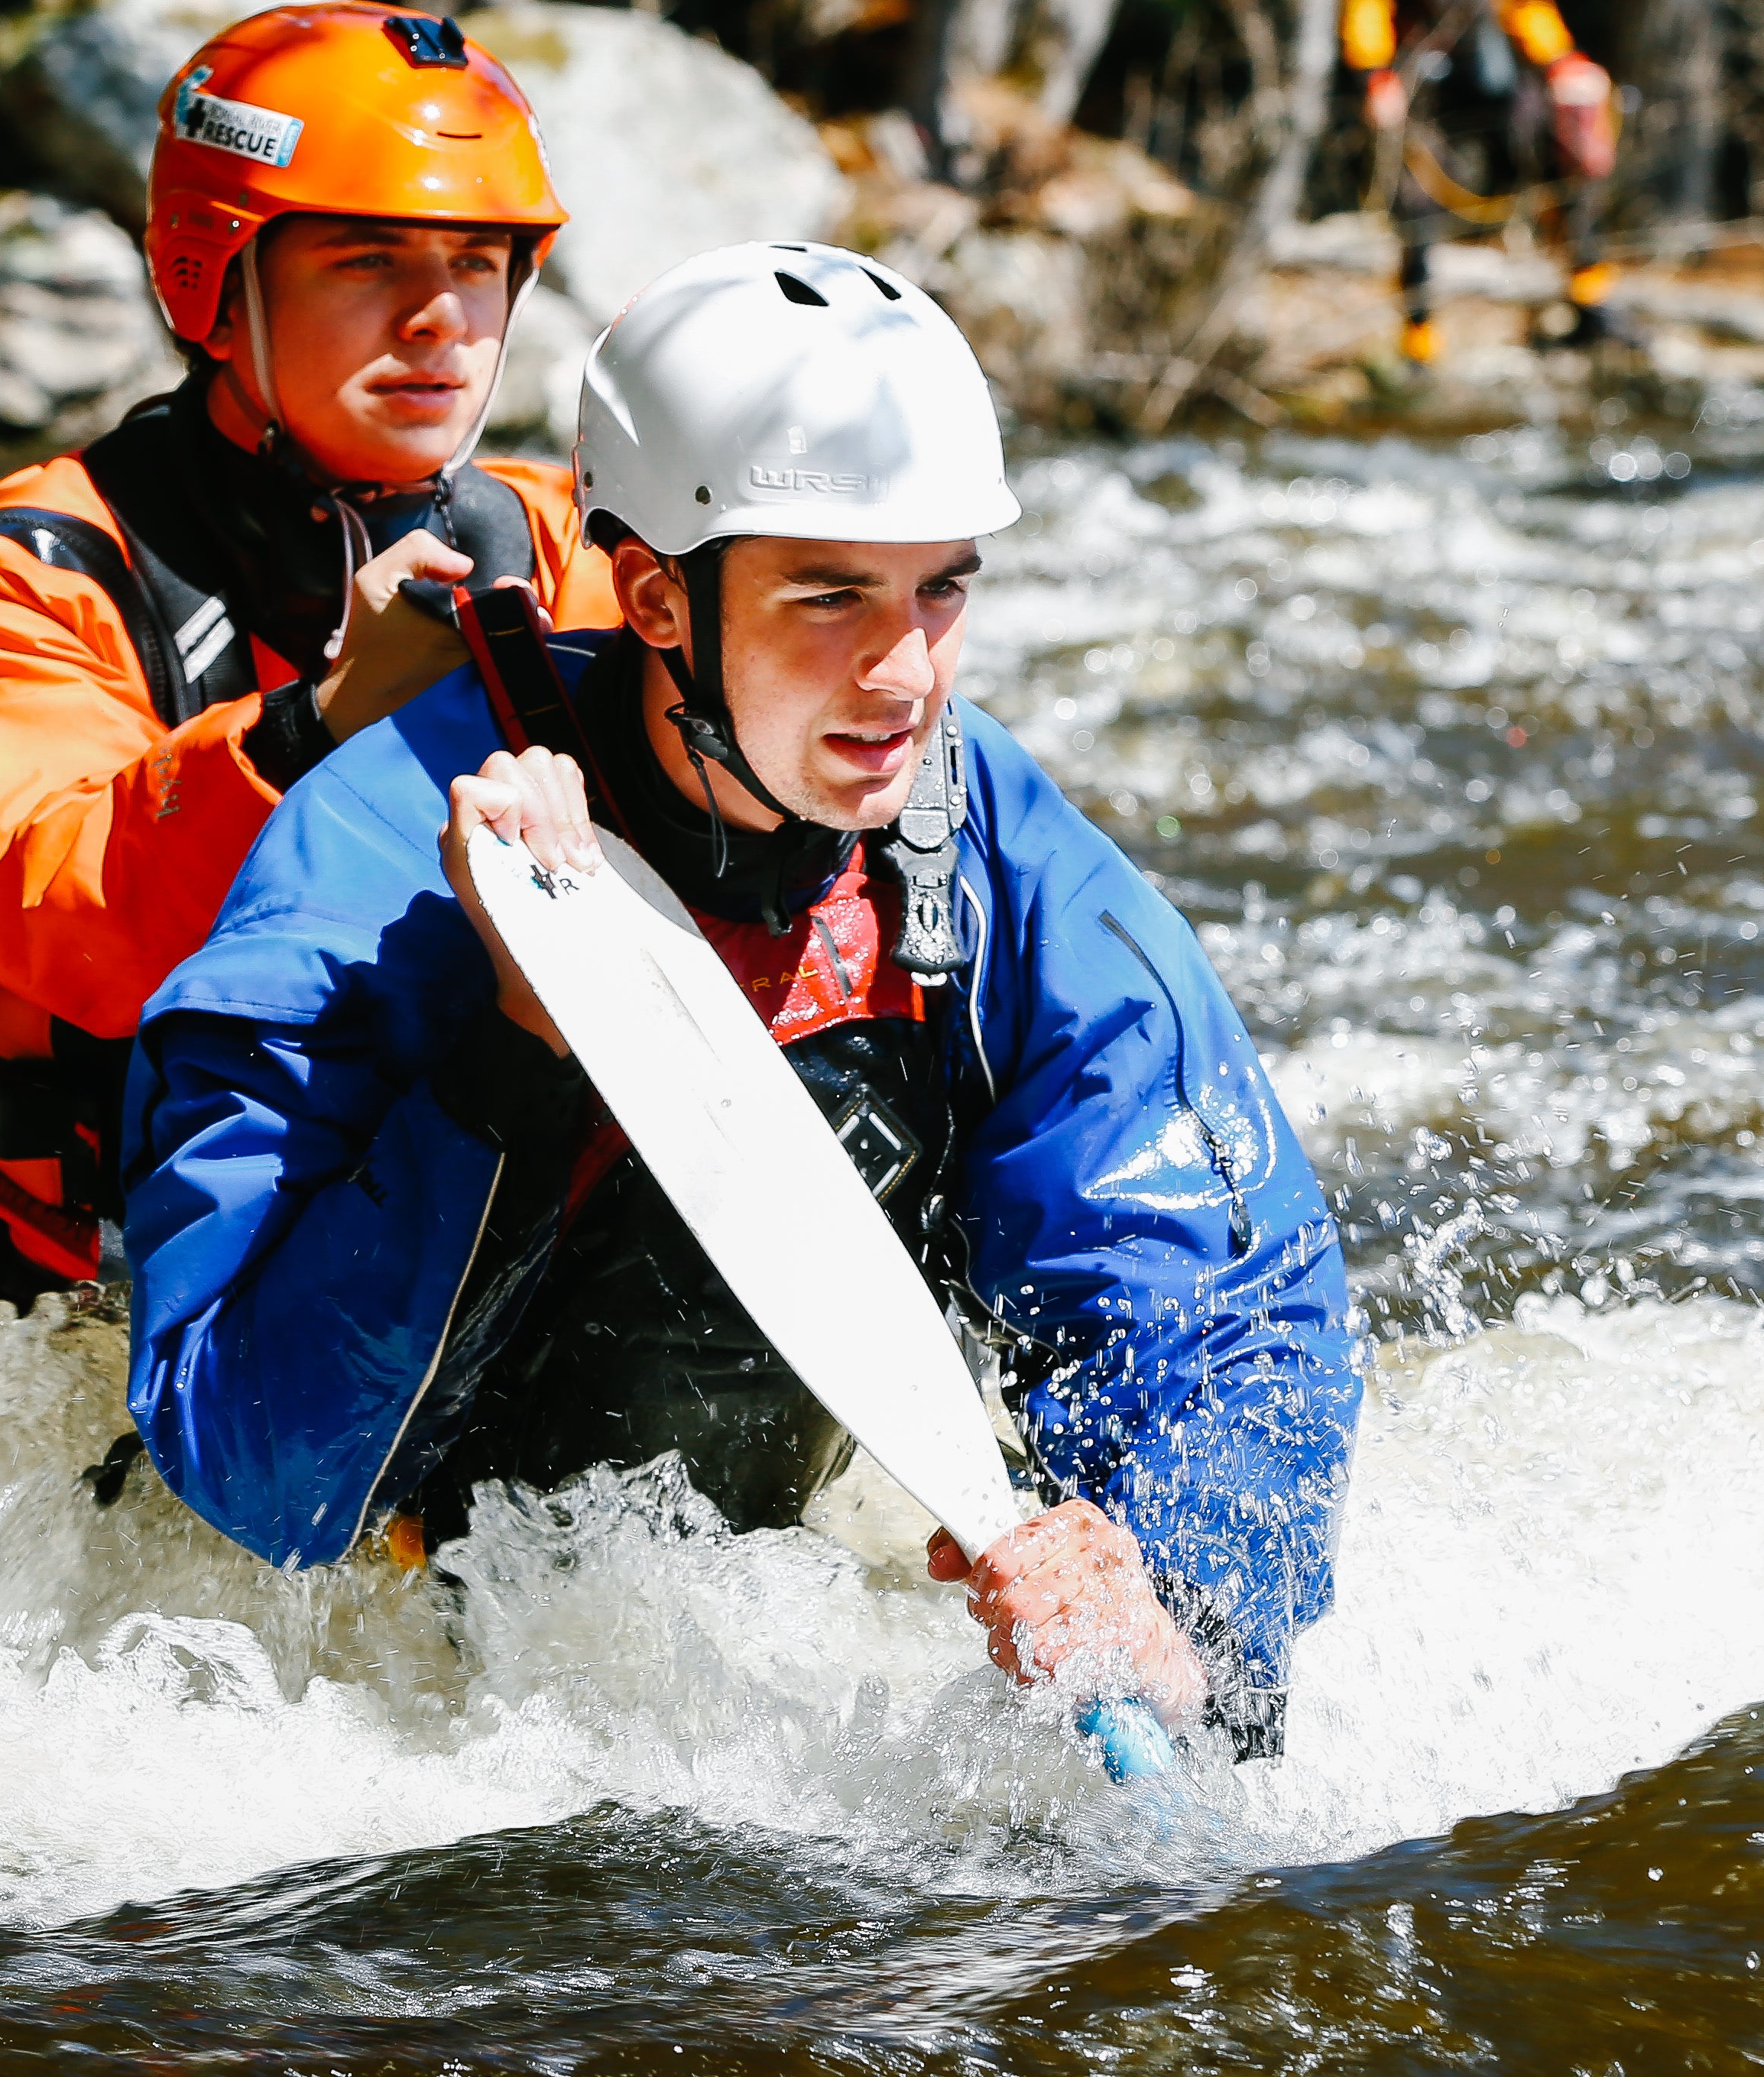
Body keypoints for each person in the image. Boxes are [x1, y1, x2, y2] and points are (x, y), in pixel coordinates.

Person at [119, 242, 1363, 1757]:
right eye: (831, 598)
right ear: (652, 596)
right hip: (382, 1688)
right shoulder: (373, 853)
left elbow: (1227, 1317)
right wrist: (519, 1052)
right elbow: (265, 1487)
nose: (907, 676)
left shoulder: (991, 860)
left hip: (735, 1633)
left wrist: (1181, 1602)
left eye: (942, 592)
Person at [0, 0, 615, 1317]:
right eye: (365, 262)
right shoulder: (13, 583)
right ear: (211, 282)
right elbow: (72, 924)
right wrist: (320, 724)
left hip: (344, 1239)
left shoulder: (559, 543)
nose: (441, 319)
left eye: (477, 260)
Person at [1341, 0, 1623, 363]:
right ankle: (1418, 339)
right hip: (1423, 78)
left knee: (1565, 158)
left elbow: (1530, 3)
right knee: (1417, 207)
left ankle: (1590, 300)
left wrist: (1564, 63)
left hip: (1496, 72)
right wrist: (1375, 75)